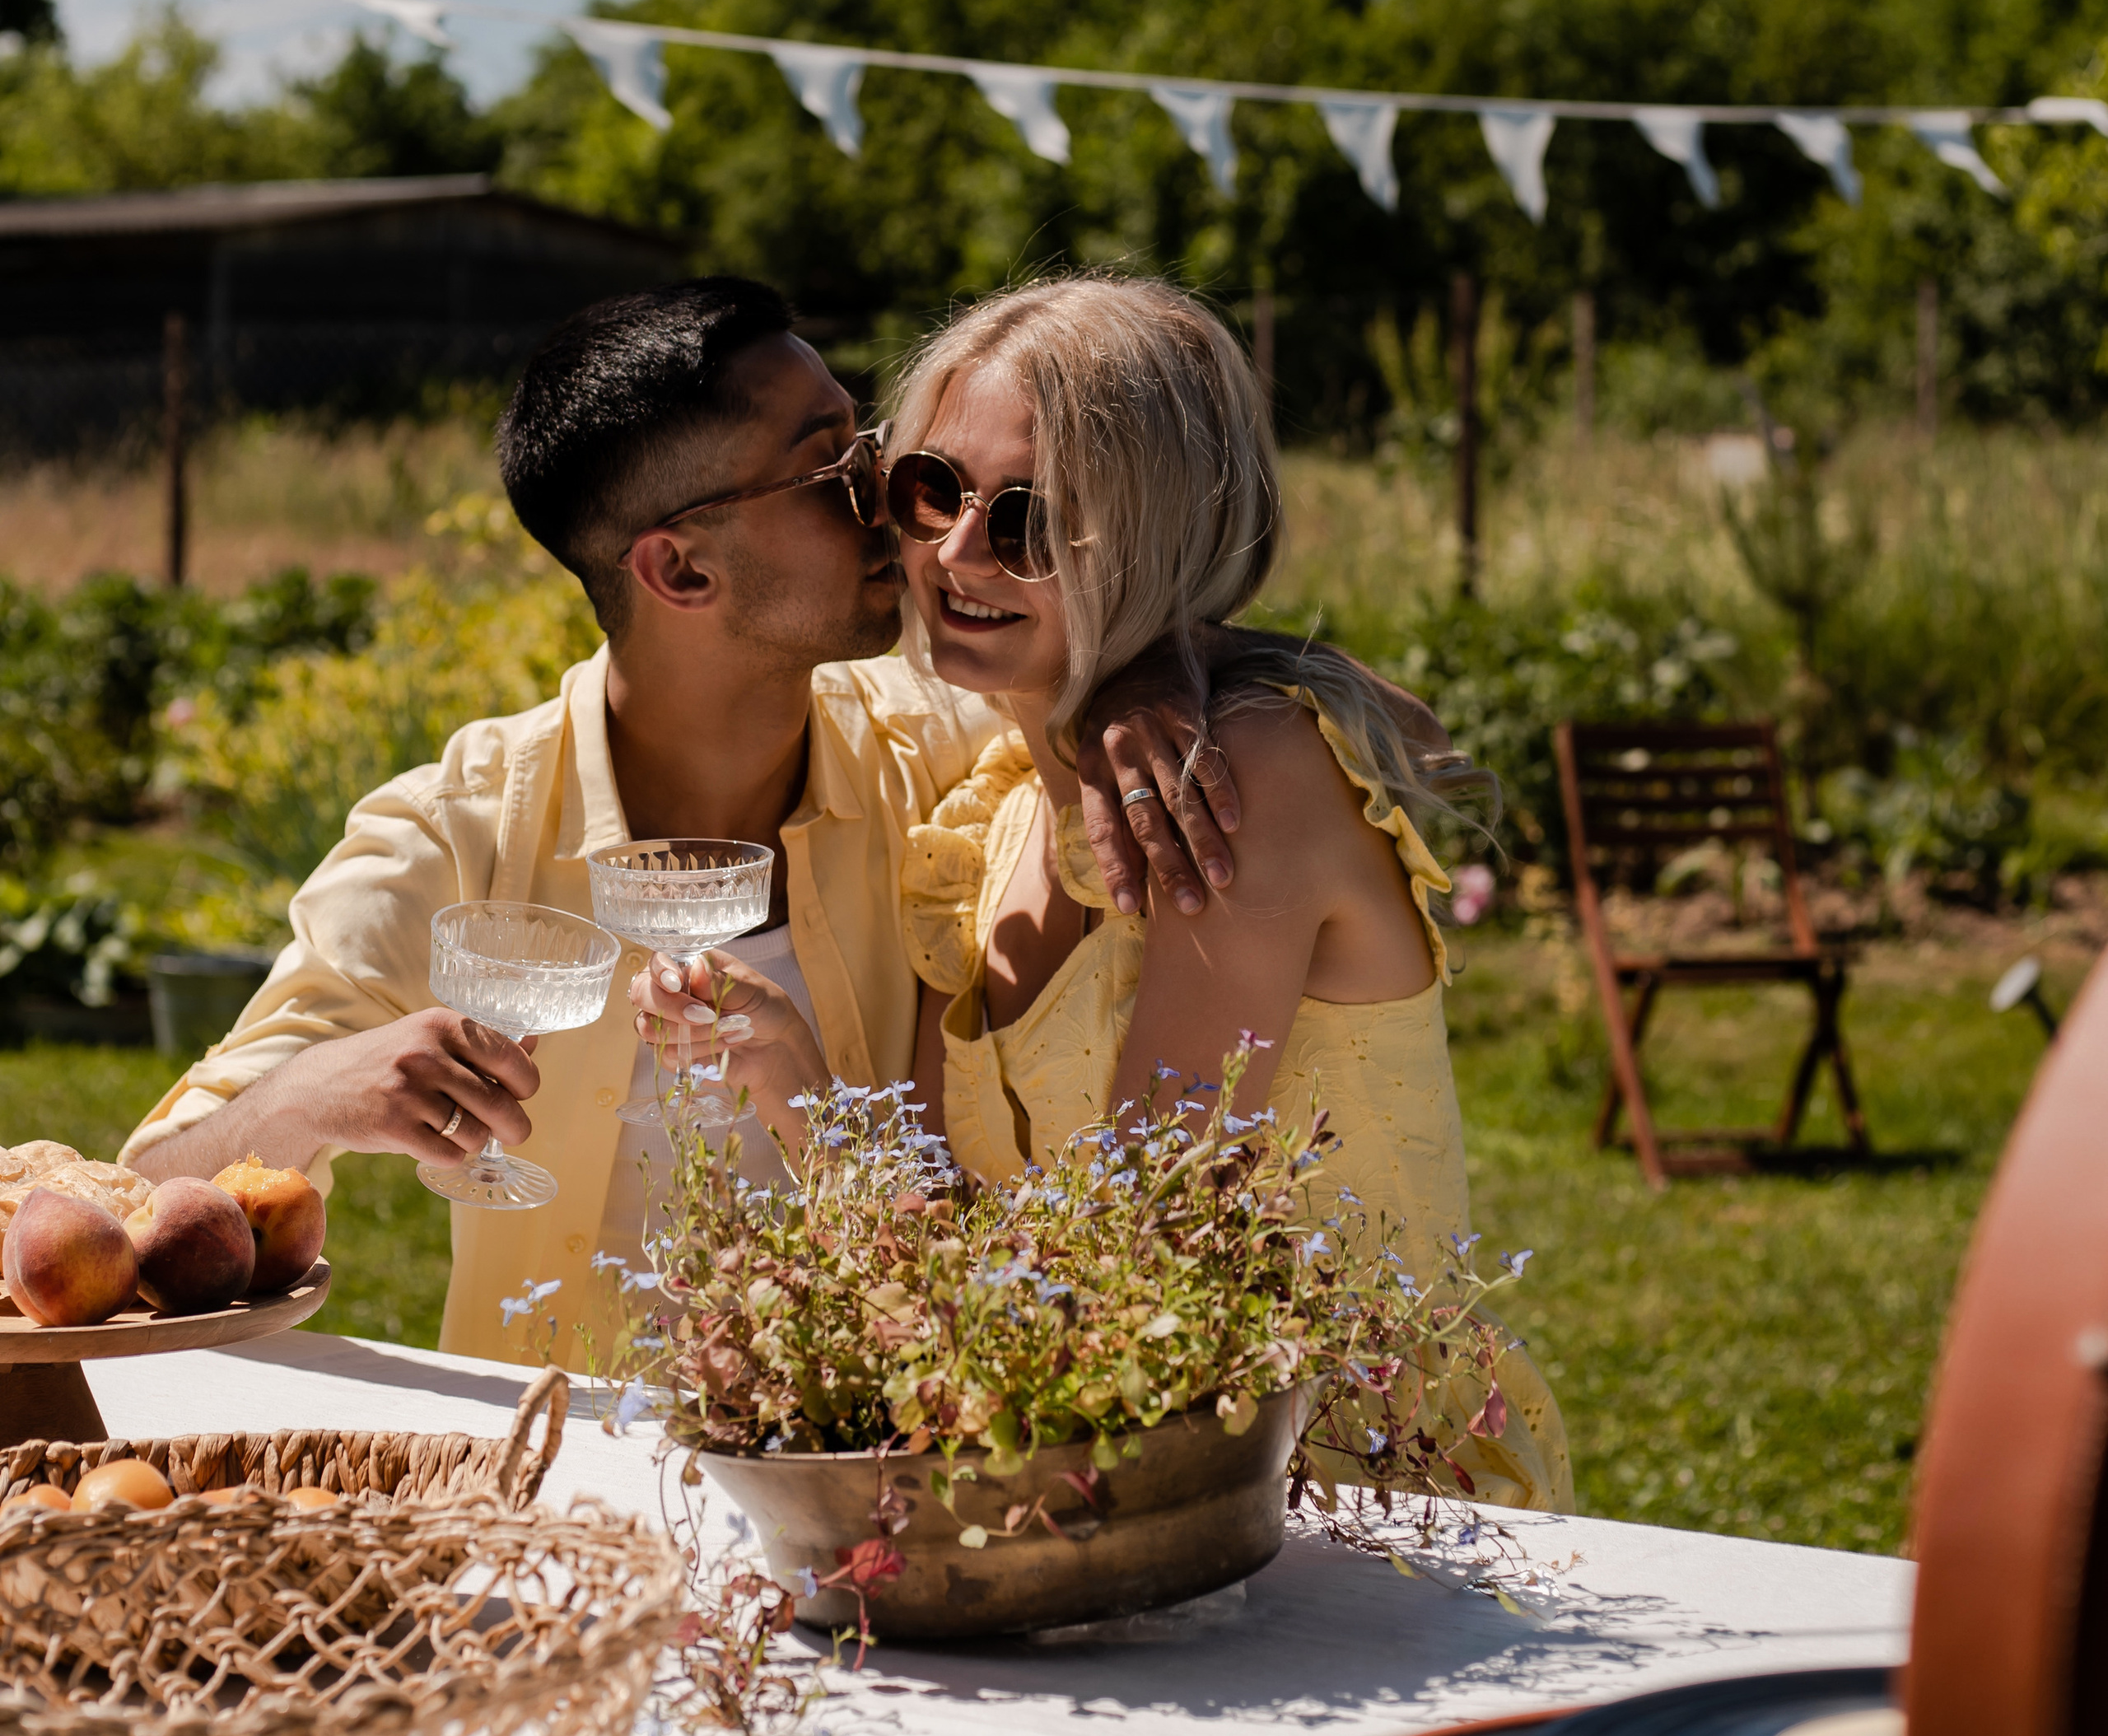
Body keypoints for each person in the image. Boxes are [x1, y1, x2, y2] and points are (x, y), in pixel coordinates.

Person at [122, 278, 1232, 1363]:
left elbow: (1159, 642)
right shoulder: (455, 838)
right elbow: (147, 1194)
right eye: (831, 468)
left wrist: (1145, 676)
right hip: (562, 1489)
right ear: (682, 568)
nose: (891, 492)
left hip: (867, 1482)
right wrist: (309, 1096)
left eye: (869, 441)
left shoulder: (940, 753)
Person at [876, 273, 1572, 1510]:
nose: (956, 552)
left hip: (1349, 1501)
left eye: (1031, 522)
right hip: (1087, 1471)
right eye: (929, 490)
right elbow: (950, 1218)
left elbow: (1144, 1242)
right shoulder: (993, 807)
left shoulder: (1237, 779)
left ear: (1160, 541)